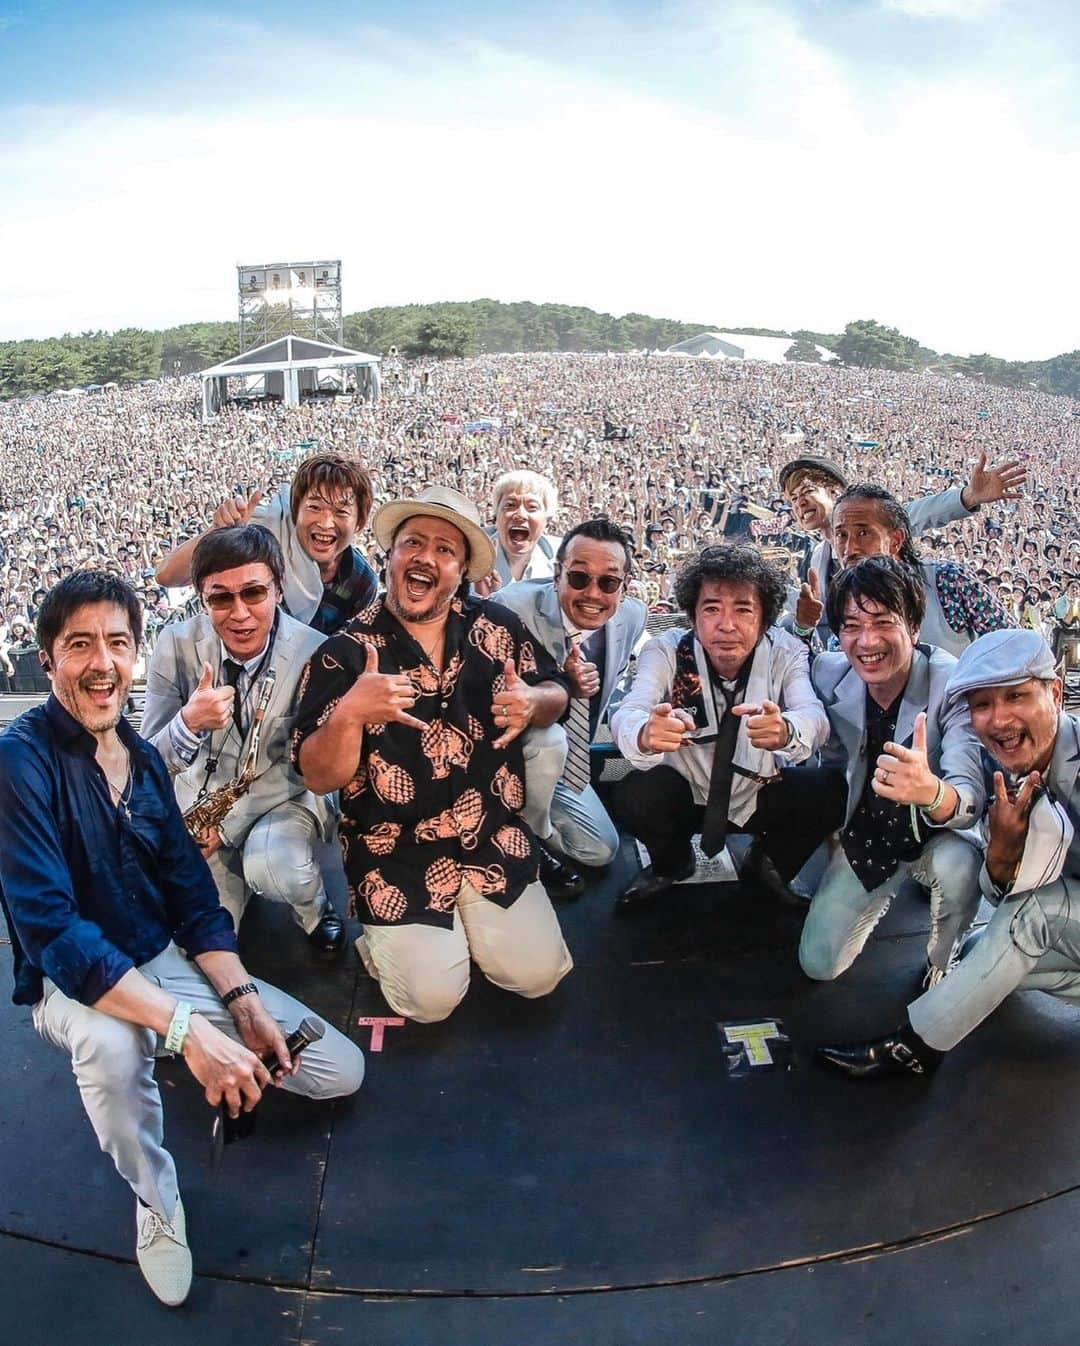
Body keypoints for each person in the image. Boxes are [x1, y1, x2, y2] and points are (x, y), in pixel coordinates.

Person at [0, 572, 364, 1306]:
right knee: (110, 1044)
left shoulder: (138, 759)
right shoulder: (17, 761)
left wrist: (241, 1004)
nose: (101, 662)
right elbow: (54, 933)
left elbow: (195, 900)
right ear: (48, 657)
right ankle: (155, 1201)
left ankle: (192, 1048)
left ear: (136, 655)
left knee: (337, 1070)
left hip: (156, 959)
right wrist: (191, 1033)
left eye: (117, 643)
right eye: (80, 645)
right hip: (70, 986)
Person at [292, 485, 574, 1023]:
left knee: (538, 978)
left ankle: (458, 934)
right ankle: (384, 944)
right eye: (412, 543)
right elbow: (318, 775)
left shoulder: (496, 626)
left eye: (445, 549)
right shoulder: (345, 653)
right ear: (391, 557)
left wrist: (533, 701)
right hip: (394, 853)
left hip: (492, 835)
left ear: (462, 569)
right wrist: (350, 712)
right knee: (429, 1003)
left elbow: (556, 689)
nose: (426, 557)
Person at [817, 629, 1080, 1079]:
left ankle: (915, 1047)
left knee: (1032, 918)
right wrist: (1002, 852)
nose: (998, 720)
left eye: (1015, 696)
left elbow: (1034, 907)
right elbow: (1002, 896)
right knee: (987, 949)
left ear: (1055, 692)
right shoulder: (998, 767)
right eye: (982, 704)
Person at [141, 524, 345, 953]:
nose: (239, 613)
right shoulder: (174, 645)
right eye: (220, 598)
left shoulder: (317, 653)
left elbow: (310, 768)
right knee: (200, 944)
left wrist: (229, 826)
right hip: (199, 809)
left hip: (283, 797)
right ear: (201, 599)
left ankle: (315, 912)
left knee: (277, 870)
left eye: (253, 593)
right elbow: (147, 764)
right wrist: (186, 724)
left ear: (278, 589)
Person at [609, 543, 842, 910]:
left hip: (758, 793)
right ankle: (672, 864)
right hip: (688, 794)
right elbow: (629, 710)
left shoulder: (786, 651)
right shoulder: (667, 650)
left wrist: (786, 730)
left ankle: (768, 863)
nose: (726, 625)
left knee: (828, 788)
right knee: (633, 789)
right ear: (692, 616)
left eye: (743, 610)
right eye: (712, 609)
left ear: (765, 617)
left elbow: (814, 717)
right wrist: (644, 733)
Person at [801, 557, 985, 987]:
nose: (867, 641)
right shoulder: (828, 674)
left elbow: (969, 796)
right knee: (818, 964)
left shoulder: (951, 686)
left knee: (961, 866)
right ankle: (873, 896)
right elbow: (786, 661)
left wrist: (931, 793)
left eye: (883, 622)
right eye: (851, 626)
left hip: (935, 837)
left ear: (914, 626)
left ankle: (945, 956)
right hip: (867, 835)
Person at [492, 517, 647, 878]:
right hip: (506, 755)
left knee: (600, 850)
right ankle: (520, 837)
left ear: (624, 586)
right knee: (549, 738)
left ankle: (536, 829)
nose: (594, 594)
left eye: (609, 582)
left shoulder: (632, 617)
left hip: (565, 766)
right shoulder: (510, 609)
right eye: (579, 577)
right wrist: (563, 680)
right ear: (557, 573)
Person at [780, 454, 1025, 642]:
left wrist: (968, 496)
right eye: (793, 498)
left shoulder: (945, 580)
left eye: (808, 491)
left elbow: (923, 513)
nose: (800, 502)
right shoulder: (818, 559)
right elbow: (823, 624)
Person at [155, 453, 377, 635]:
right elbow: (166, 576)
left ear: (360, 522)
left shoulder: (361, 583)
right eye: (314, 507)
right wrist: (219, 534)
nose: (326, 523)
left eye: (341, 512)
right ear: (295, 510)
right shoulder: (258, 538)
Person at [827, 484, 1014, 656]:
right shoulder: (842, 603)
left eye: (863, 533)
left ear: (895, 541)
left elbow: (1015, 647)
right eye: (841, 535)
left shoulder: (948, 582)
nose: (850, 548)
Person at [481, 470, 562, 589]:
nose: (520, 515)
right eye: (510, 505)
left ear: (546, 520)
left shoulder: (563, 558)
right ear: (496, 516)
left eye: (532, 507)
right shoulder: (472, 553)